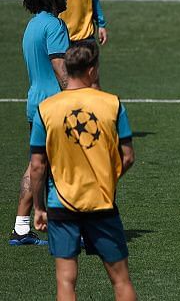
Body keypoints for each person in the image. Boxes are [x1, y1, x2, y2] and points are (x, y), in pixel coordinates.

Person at [30, 42, 136, 300]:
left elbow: (37, 165)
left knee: (66, 281)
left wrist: (38, 207)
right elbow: (128, 157)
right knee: (120, 280)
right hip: (101, 201)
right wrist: (109, 179)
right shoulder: (112, 104)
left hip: (61, 202)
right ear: (91, 70)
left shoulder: (46, 109)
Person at [9, 0, 70, 246]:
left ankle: (21, 228)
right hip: (54, 104)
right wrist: (78, 97)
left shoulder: (33, 25)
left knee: (37, 164)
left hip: (34, 101)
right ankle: (69, 228)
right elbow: (60, 68)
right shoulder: (55, 26)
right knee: (66, 166)